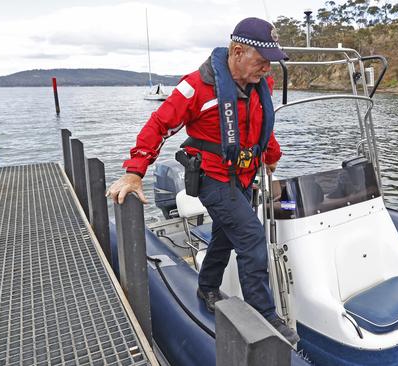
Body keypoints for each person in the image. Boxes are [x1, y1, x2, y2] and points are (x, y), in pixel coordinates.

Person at [106, 17, 299, 345]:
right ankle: (264, 318)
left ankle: (208, 287)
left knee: (226, 235)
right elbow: (159, 124)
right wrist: (135, 171)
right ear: (237, 52)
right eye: (262, 62)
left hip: (244, 175)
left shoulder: (260, 84)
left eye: (271, 64)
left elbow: (262, 126)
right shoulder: (195, 86)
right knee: (251, 238)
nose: (267, 70)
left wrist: (271, 156)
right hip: (213, 178)